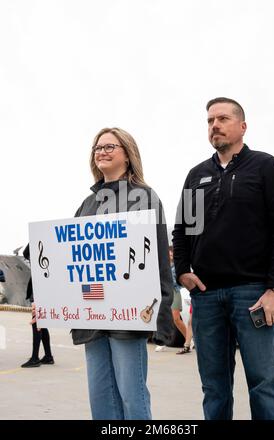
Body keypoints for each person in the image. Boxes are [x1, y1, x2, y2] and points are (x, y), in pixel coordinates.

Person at [173, 97, 274, 420]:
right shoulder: (196, 176)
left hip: (253, 295)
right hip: (206, 296)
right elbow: (183, 229)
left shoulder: (266, 167)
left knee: (264, 384)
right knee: (214, 388)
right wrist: (182, 271)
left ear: (242, 126)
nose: (215, 125)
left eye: (223, 118)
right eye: (210, 120)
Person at [71, 127, 173, 420]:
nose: (101, 152)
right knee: (100, 396)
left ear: (127, 155)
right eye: (97, 148)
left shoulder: (144, 197)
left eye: (109, 147)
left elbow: (157, 260)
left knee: (132, 395)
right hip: (92, 313)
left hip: (128, 315)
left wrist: (161, 313)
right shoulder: (87, 204)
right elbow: (73, 263)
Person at [21, 244, 54, 368]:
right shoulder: (47, 256)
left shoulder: (39, 256)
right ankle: (48, 356)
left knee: (37, 325)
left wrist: (34, 239)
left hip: (39, 291)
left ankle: (35, 358)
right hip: (45, 289)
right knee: (42, 324)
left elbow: (25, 252)